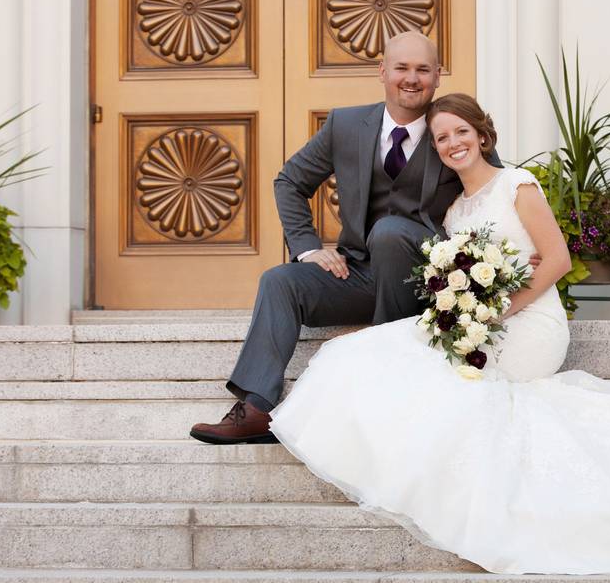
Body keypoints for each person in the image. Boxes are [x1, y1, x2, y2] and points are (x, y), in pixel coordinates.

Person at [268, 93, 610, 575]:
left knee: (450, 388)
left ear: (483, 135)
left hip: (530, 324)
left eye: (462, 131)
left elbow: (556, 259)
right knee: (374, 354)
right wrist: (465, 311)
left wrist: (501, 307)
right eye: (441, 138)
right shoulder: (454, 210)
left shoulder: (518, 184)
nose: (453, 143)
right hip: (484, 323)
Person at [190, 32, 500, 444]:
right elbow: (289, 182)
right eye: (402, 68)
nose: (412, 78)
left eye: (423, 69)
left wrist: (509, 255)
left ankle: (384, 376)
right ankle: (257, 408)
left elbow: (495, 189)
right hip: (360, 272)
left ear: (438, 76)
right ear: (382, 72)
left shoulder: (452, 130)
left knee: (390, 233)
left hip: (428, 284)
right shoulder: (346, 124)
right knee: (279, 282)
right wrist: (307, 248)